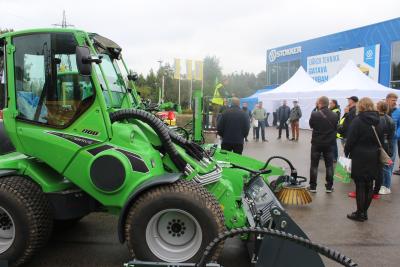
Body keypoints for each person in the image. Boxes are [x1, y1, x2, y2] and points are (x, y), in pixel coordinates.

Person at [344, 97, 384, 222]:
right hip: (374, 156)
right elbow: (382, 141)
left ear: (360, 106)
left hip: (359, 156)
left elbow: (350, 140)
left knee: (360, 185)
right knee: (369, 185)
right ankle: (364, 212)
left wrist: (346, 152)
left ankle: (360, 213)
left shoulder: (358, 120)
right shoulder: (379, 120)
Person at [308, 96, 338, 193]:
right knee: (329, 165)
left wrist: (316, 109)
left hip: (317, 143)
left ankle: (313, 186)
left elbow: (311, 125)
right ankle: (329, 187)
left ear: (320, 103)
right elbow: (335, 127)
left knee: (314, 165)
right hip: (329, 143)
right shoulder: (334, 115)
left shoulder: (315, 114)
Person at [380, 93, 400, 194]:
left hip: (392, 139)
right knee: (383, 160)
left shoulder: (398, 111)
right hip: (382, 138)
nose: (395, 102)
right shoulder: (383, 110)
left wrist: (396, 134)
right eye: (393, 100)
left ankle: (386, 185)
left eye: (396, 100)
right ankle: (384, 182)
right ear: (387, 99)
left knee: (389, 161)